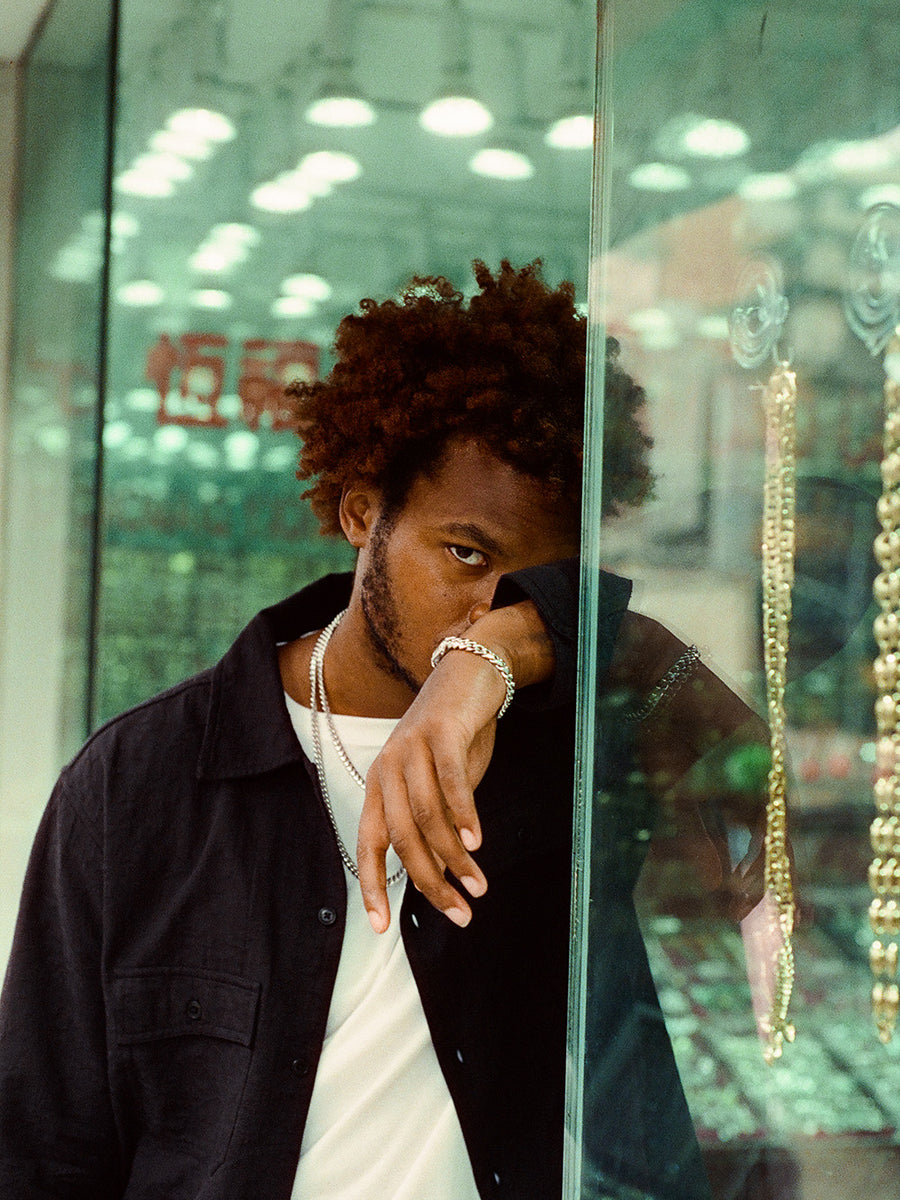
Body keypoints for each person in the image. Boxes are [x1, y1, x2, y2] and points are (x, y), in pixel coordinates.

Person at [0, 261, 767, 1198]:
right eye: (466, 554)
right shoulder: (141, 783)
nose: (485, 603)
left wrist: (503, 652)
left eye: (533, 582)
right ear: (363, 514)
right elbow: (44, 1147)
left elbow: (756, 782)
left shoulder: (571, 751)